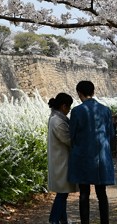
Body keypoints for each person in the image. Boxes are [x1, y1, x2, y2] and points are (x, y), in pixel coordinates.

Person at [68, 80, 115, 224]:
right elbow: (111, 134)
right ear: (93, 92)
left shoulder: (76, 111)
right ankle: (105, 221)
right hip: (102, 156)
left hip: (83, 156)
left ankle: (85, 222)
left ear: (79, 93)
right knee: (102, 193)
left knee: (84, 193)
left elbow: (72, 134)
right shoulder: (106, 110)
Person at [47, 92, 77, 224]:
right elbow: (69, 140)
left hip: (60, 160)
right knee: (62, 193)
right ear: (64, 106)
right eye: (68, 107)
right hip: (62, 162)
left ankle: (62, 219)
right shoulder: (58, 122)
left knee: (63, 193)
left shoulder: (55, 118)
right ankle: (54, 219)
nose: (69, 110)